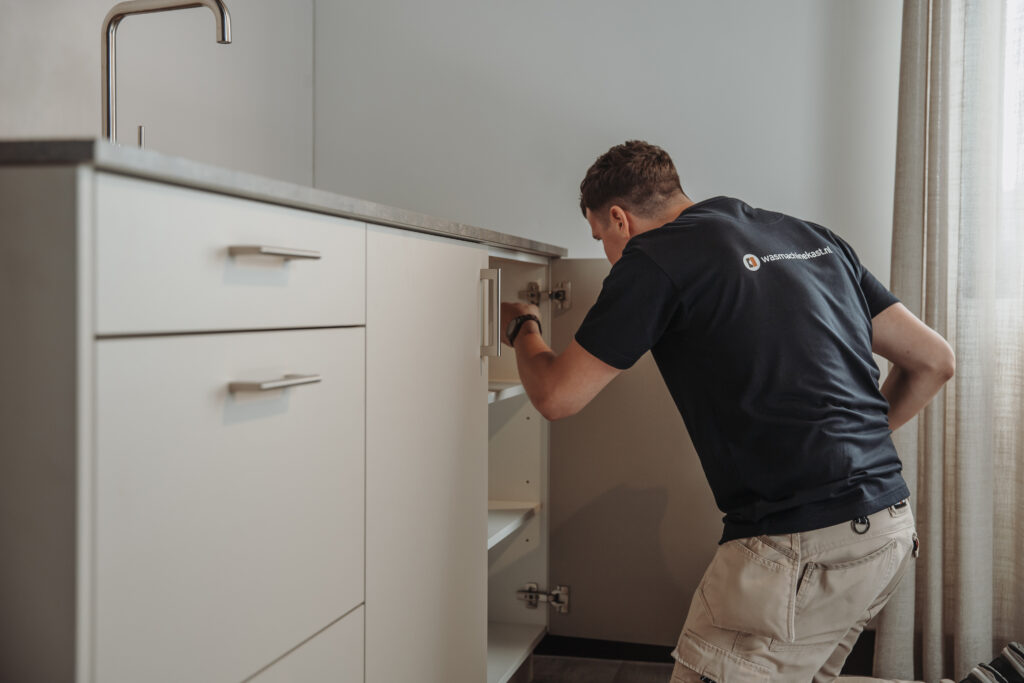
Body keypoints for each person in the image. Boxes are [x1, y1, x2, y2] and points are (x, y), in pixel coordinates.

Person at [499, 140, 962, 682]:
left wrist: (523, 326)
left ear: (619, 218)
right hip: (887, 530)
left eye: (600, 237)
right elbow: (934, 361)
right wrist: (850, 446)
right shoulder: (810, 237)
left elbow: (557, 396)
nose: (606, 251)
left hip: (801, 547)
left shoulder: (655, 257)